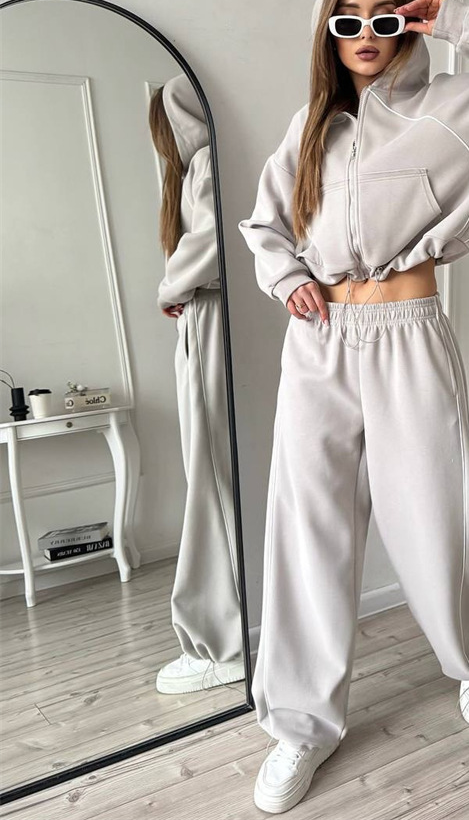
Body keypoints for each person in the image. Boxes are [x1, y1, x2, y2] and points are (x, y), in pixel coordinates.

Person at [238, 0, 469, 814]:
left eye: (383, 16)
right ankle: (301, 724)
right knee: (308, 530)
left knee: (435, 514)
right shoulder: (310, 126)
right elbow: (265, 225)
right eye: (347, 20)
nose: (365, 34)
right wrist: (286, 277)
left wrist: (457, 20)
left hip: (407, 335)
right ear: (329, 34)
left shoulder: (458, 108)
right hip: (320, 344)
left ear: (406, 19)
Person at [150, 74, 245, 694]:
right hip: (208, 319)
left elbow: (211, 241)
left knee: (210, 480)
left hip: (210, 319)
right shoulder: (205, 164)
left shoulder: (208, 161)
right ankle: (229, 633)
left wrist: (170, 287)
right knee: (213, 477)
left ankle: (222, 645)